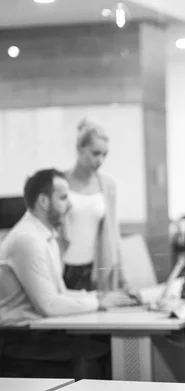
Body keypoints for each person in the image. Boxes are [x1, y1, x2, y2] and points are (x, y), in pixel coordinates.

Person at [0, 169, 135, 377]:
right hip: (17, 340)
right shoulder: (27, 240)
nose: (70, 206)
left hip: (35, 332)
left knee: (101, 345)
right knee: (99, 352)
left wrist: (99, 297)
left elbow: (60, 293)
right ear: (44, 201)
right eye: (63, 198)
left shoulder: (47, 237)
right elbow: (50, 305)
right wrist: (98, 303)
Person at [62, 118, 130, 294]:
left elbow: (113, 234)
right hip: (61, 268)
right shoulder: (60, 183)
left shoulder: (107, 186)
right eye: (95, 153)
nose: (100, 160)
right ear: (79, 148)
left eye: (104, 155)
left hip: (92, 269)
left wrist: (123, 277)